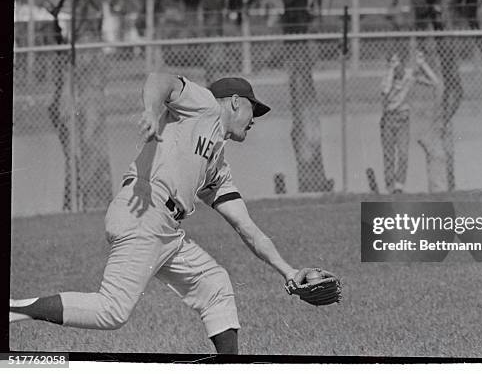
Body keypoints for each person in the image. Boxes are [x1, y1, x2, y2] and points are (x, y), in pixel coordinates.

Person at [10, 74, 331, 354]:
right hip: (144, 209)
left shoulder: (217, 166)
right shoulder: (204, 106)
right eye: (253, 108)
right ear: (234, 102)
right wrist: (151, 111)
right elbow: (160, 79)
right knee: (112, 311)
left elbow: (247, 228)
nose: (254, 118)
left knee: (215, 284)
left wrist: (288, 271)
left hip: (164, 229)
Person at [380, 50, 440, 194]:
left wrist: (422, 64)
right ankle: (390, 187)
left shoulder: (409, 75)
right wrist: (390, 71)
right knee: (389, 155)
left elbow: (434, 81)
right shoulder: (386, 78)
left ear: (402, 62)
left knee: (403, 153)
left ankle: (399, 186)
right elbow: (386, 91)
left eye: (397, 62)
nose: (395, 65)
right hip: (388, 119)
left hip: (403, 119)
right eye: (392, 62)